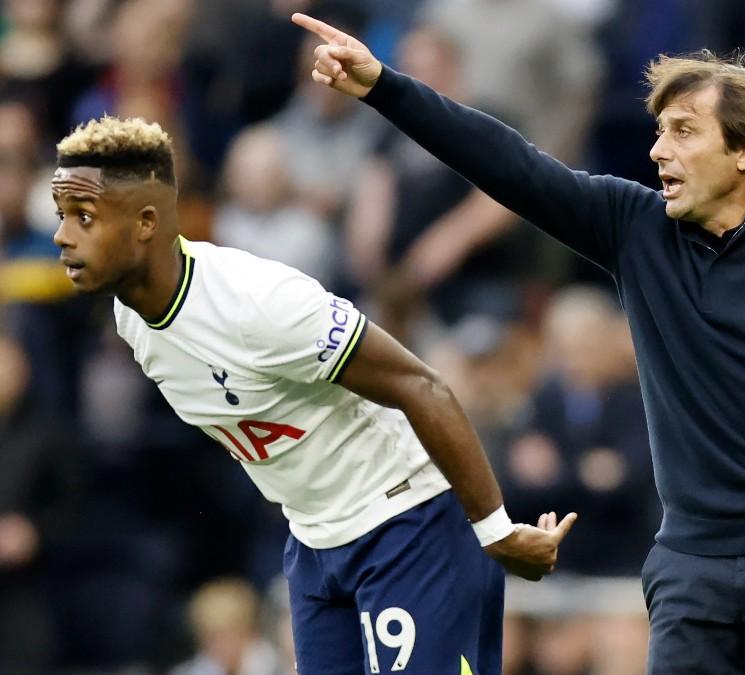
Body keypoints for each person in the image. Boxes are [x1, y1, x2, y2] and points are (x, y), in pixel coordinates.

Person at [293, 14, 745, 673]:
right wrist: (384, 86)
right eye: (658, 132)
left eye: (683, 132)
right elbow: (507, 162)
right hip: (689, 564)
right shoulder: (636, 228)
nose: (657, 151)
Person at [50, 116, 576, 675]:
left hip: (408, 526)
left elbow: (422, 385)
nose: (63, 235)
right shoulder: (129, 319)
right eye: (62, 216)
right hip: (314, 542)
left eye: (84, 217)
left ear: (146, 222)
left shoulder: (259, 303)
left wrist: (493, 530)